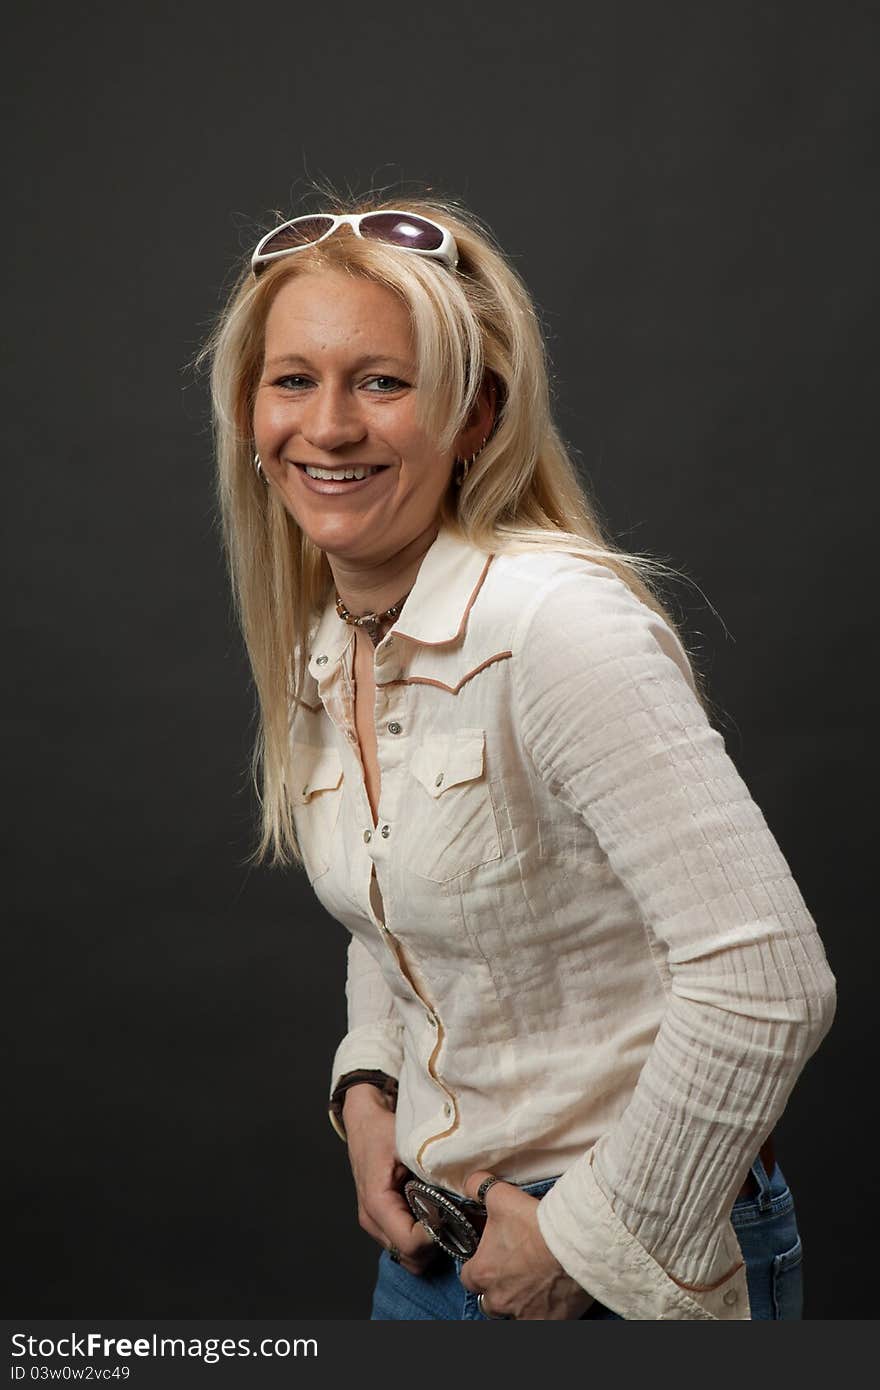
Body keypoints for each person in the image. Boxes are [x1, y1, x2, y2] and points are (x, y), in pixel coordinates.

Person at [200, 196, 836, 1320]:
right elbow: (392, 908)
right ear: (249, 413)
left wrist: (586, 1240)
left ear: (475, 415)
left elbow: (766, 981)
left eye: (382, 382)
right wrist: (366, 1089)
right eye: (291, 379)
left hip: (617, 1260)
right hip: (434, 1254)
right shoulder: (327, 637)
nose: (328, 426)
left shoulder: (555, 625)